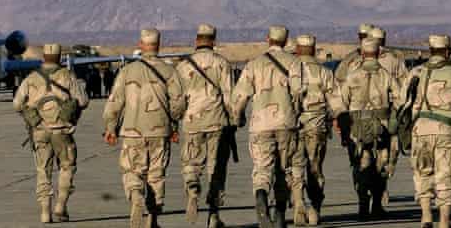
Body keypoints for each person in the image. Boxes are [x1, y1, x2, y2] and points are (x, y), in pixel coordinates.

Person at [103, 29, 185, 228]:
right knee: (156, 175)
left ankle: (136, 194)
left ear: (141, 45)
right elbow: (179, 103)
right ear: (159, 45)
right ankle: (152, 219)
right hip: (160, 131)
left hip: (132, 132)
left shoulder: (127, 71)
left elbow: (115, 102)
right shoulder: (169, 71)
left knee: (132, 170)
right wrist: (173, 124)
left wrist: (110, 128)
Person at [231, 26, 305, 228]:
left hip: (260, 125)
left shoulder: (254, 64)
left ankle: (261, 194)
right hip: (286, 124)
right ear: (286, 40)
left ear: (268, 39)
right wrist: (295, 113)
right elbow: (299, 92)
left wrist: (237, 118)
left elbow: (240, 96)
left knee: (262, 168)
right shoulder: (294, 62)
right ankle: (280, 213)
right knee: (284, 169)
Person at [402, 34, 451, 228]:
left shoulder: (417, 72)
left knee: (423, 173)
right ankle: (444, 221)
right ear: (447, 51)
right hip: (446, 131)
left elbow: (403, 101)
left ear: (430, 50)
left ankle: (426, 216)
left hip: (421, 130)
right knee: (445, 176)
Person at [14, 43, 89, 223]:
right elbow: (83, 101)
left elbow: (17, 104)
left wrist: (33, 117)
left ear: (43, 57)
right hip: (62, 130)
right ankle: (60, 206)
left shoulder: (31, 78)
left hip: (39, 130)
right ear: (60, 56)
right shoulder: (67, 75)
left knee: (42, 171)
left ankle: (45, 212)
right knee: (67, 167)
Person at [175, 24, 236, 228]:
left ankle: (192, 186)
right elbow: (230, 98)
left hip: (192, 122)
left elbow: (177, 100)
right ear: (214, 41)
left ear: (196, 41)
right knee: (215, 169)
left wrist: (178, 117)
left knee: (191, 162)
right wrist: (235, 120)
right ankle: (213, 215)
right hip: (217, 122)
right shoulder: (222, 63)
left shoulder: (183, 66)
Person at [335, 37, 401, 220]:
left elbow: (340, 103)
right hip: (382, 127)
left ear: (362, 54)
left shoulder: (352, 75)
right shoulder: (386, 75)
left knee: (361, 166)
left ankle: (363, 205)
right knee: (381, 165)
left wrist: (342, 123)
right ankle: (377, 205)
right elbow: (400, 100)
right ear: (379, 53)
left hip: (358, 128)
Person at [289, 34, 339, 226]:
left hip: (293, 125)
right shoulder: (324, 72)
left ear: (297, 49)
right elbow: (336, 102)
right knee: (315, 167)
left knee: (295, 167)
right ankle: (314, 209)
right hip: (317, 126)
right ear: (313, 48)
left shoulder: (288, 70)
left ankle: (299, 203)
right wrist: (337, 120)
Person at [370, 26, 408, 206]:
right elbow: (404, 87)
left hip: (363, 116)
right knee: (387, 155)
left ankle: (370, 192)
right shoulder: (395, 60)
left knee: (366, 155)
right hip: (388, 114)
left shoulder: (356, 61)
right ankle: (381, 187)